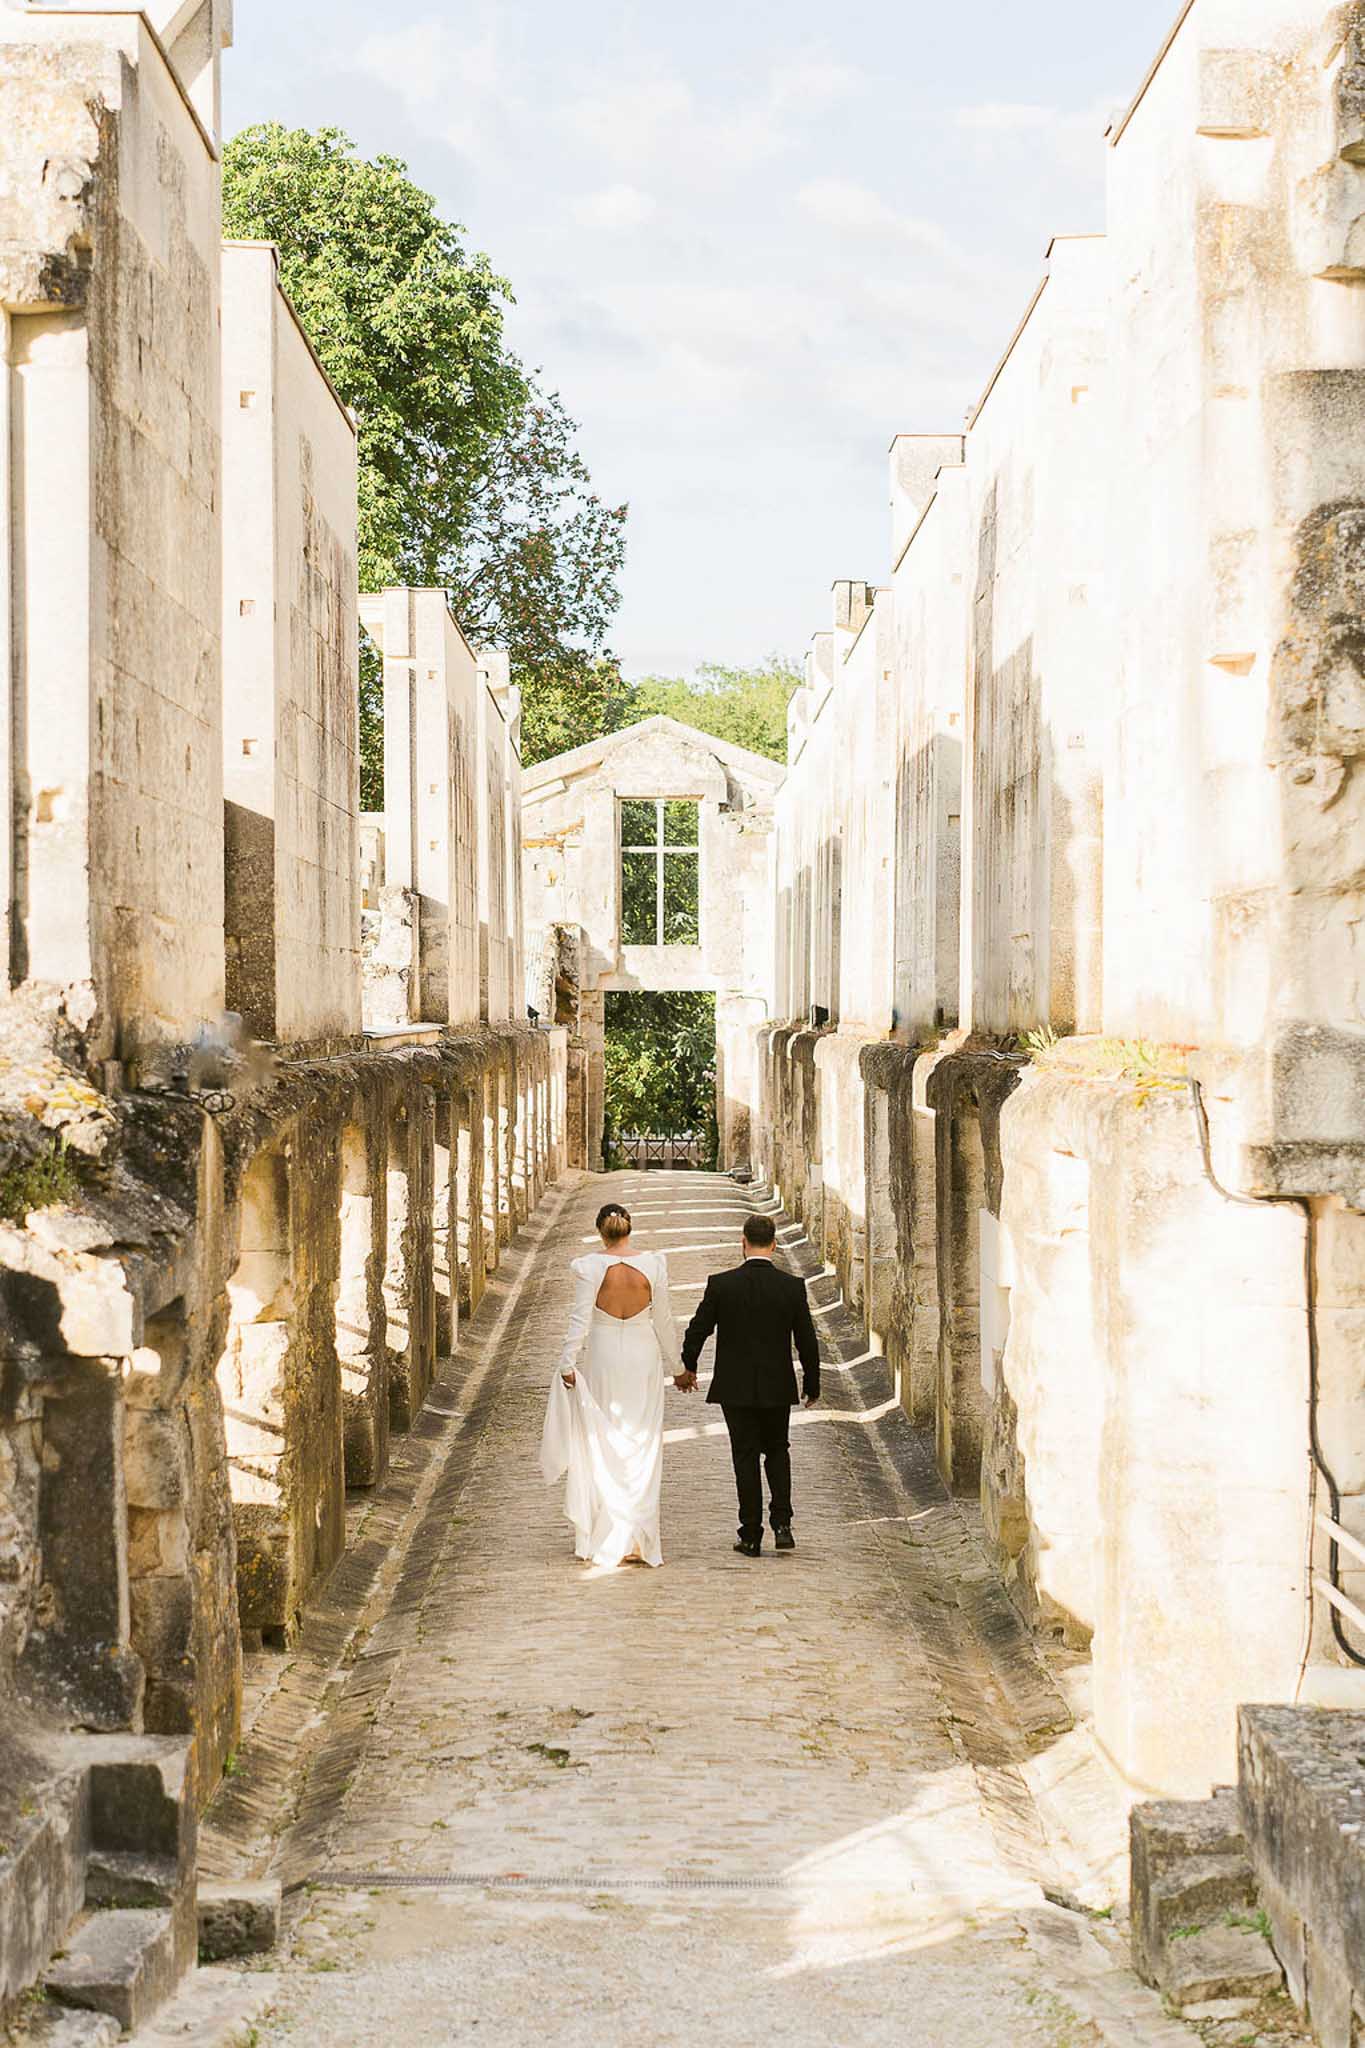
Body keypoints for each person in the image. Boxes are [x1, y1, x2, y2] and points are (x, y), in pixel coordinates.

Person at [539, 1202, 693, 1568]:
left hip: (605, 1357)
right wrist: (678, 1368)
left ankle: (607, 1532)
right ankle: (638, 1537)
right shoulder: (654, 1265)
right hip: (643, 1358)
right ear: (630, 1229)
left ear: (600, 1232)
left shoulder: (589, 1267)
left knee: (604, 1442)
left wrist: (567, 1363)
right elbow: (664, 1322)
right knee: (643, 1443)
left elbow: (579, 1321)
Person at [678, 1213, 820, 1557]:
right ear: (773, 1244)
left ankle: (752, 1533)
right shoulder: (791, 1287)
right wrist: (811, 1382)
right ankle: (783, 1523)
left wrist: (688, 1366)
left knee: (745, 1457)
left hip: (736, 1386)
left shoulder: (722, 1284)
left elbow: (698, 1329)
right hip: (776, 1385)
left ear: (743, 1243)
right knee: (777, 1450)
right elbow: (806, 1340)